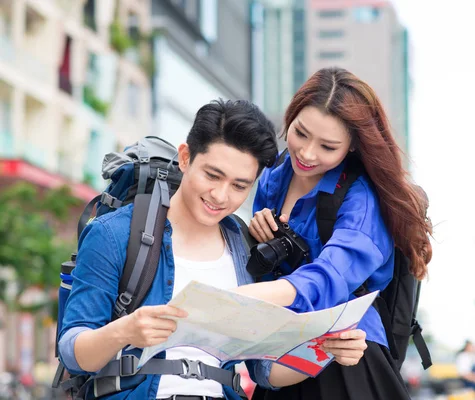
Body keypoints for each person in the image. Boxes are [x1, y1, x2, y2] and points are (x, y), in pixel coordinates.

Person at [58, 99, 368, 400]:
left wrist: (324, 351)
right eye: (212, 175)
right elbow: (73, 352)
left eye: (239, 186)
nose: (220, 196)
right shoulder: (114, 233)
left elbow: (263, 370)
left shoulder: (245, 248)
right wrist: (125, 332)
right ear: (185, 157)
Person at [234, 67, 433, 399]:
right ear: (291, 115)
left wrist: (240, 298)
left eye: (328, 146)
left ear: (352, 146)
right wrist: (259, 237)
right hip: (284, 353)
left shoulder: (362, 198)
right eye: (300, 133)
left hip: (347, 357)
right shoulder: (273, 177)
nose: (308, 153)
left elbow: (331, 277)